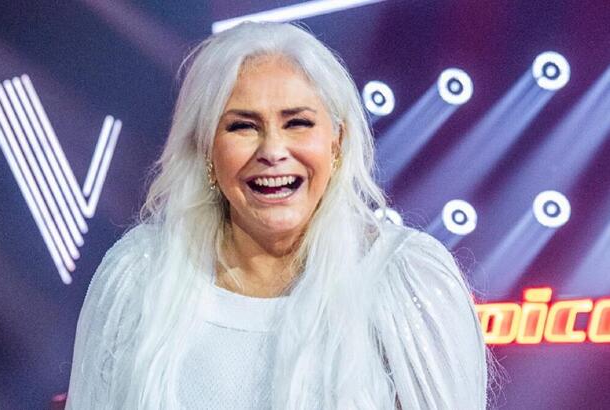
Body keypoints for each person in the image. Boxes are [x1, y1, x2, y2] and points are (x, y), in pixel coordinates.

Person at [65, 21, 490, 409]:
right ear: (206, 150)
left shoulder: (401, 278)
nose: (272, 151)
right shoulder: (138, 275)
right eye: (242, 126)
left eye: (298, 123)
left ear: (337, 142)